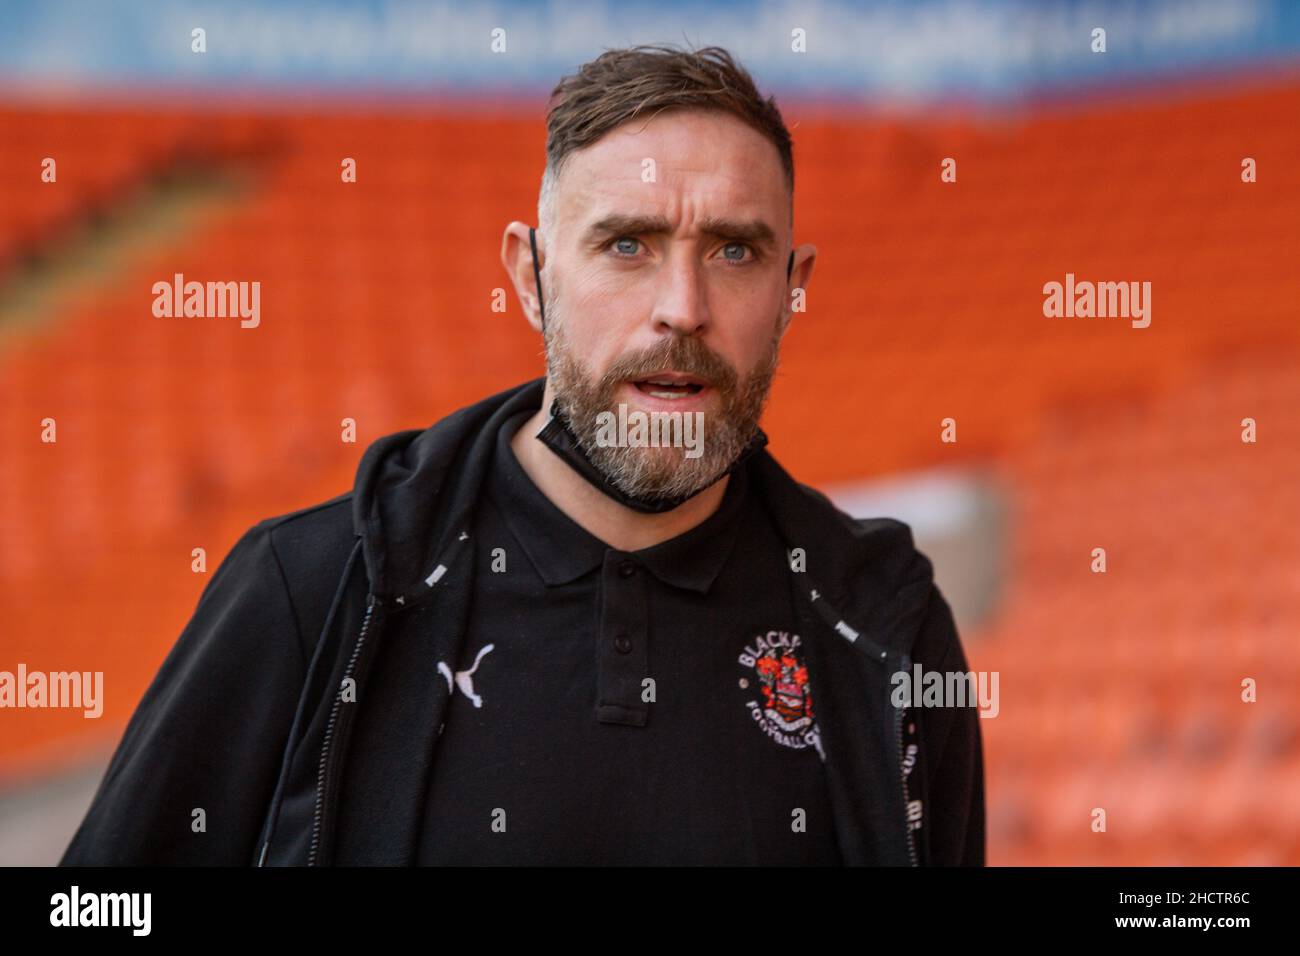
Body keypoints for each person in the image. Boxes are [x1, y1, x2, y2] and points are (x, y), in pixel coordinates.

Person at [60, 43, 984, 867]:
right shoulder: (314, 589)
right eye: (627, 244)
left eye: (735, 251)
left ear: (793, 289)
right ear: (531, 278)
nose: (683, 308)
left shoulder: (884, 628)